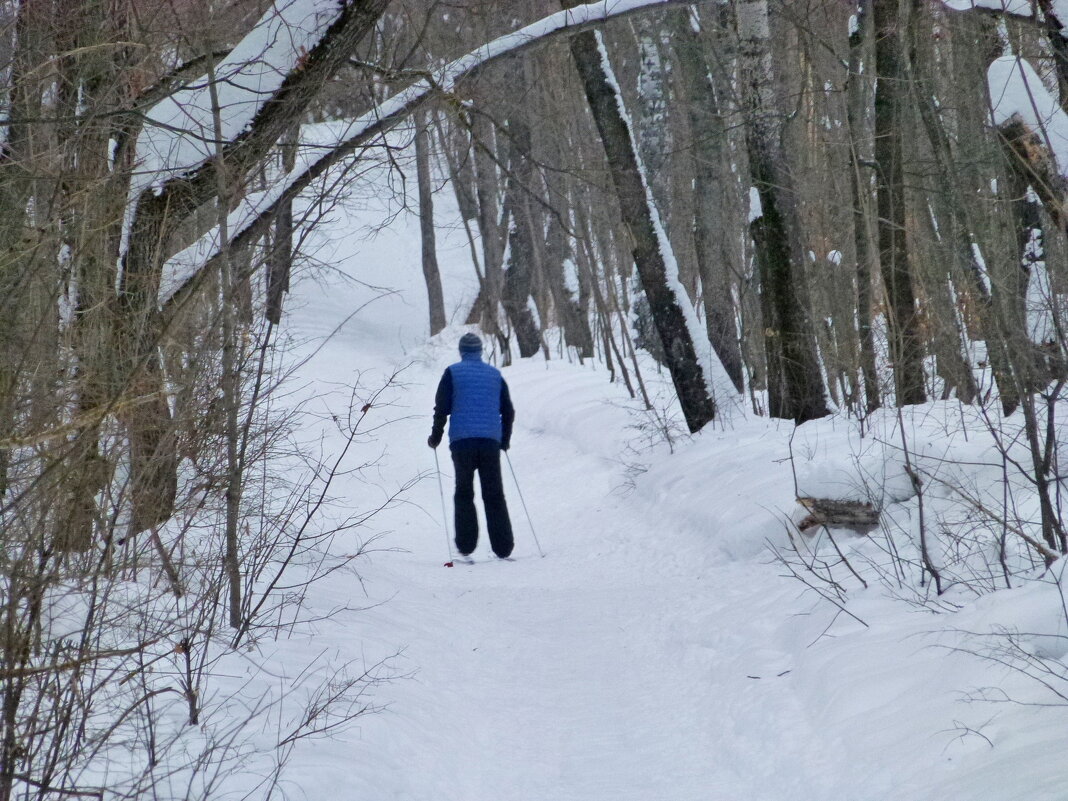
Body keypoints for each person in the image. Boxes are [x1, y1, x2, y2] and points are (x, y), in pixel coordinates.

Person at [428, 333, 515, 559]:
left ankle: (466, 545)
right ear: (480, 350)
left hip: (462, 442)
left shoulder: (452, 373)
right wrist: (504, 440)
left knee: (464, 491)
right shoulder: (495, 375)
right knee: (494, 493)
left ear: (461, 350)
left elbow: (441, 408)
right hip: (489, 443)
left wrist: (435, 436)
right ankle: (503, 547)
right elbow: (508, 411)